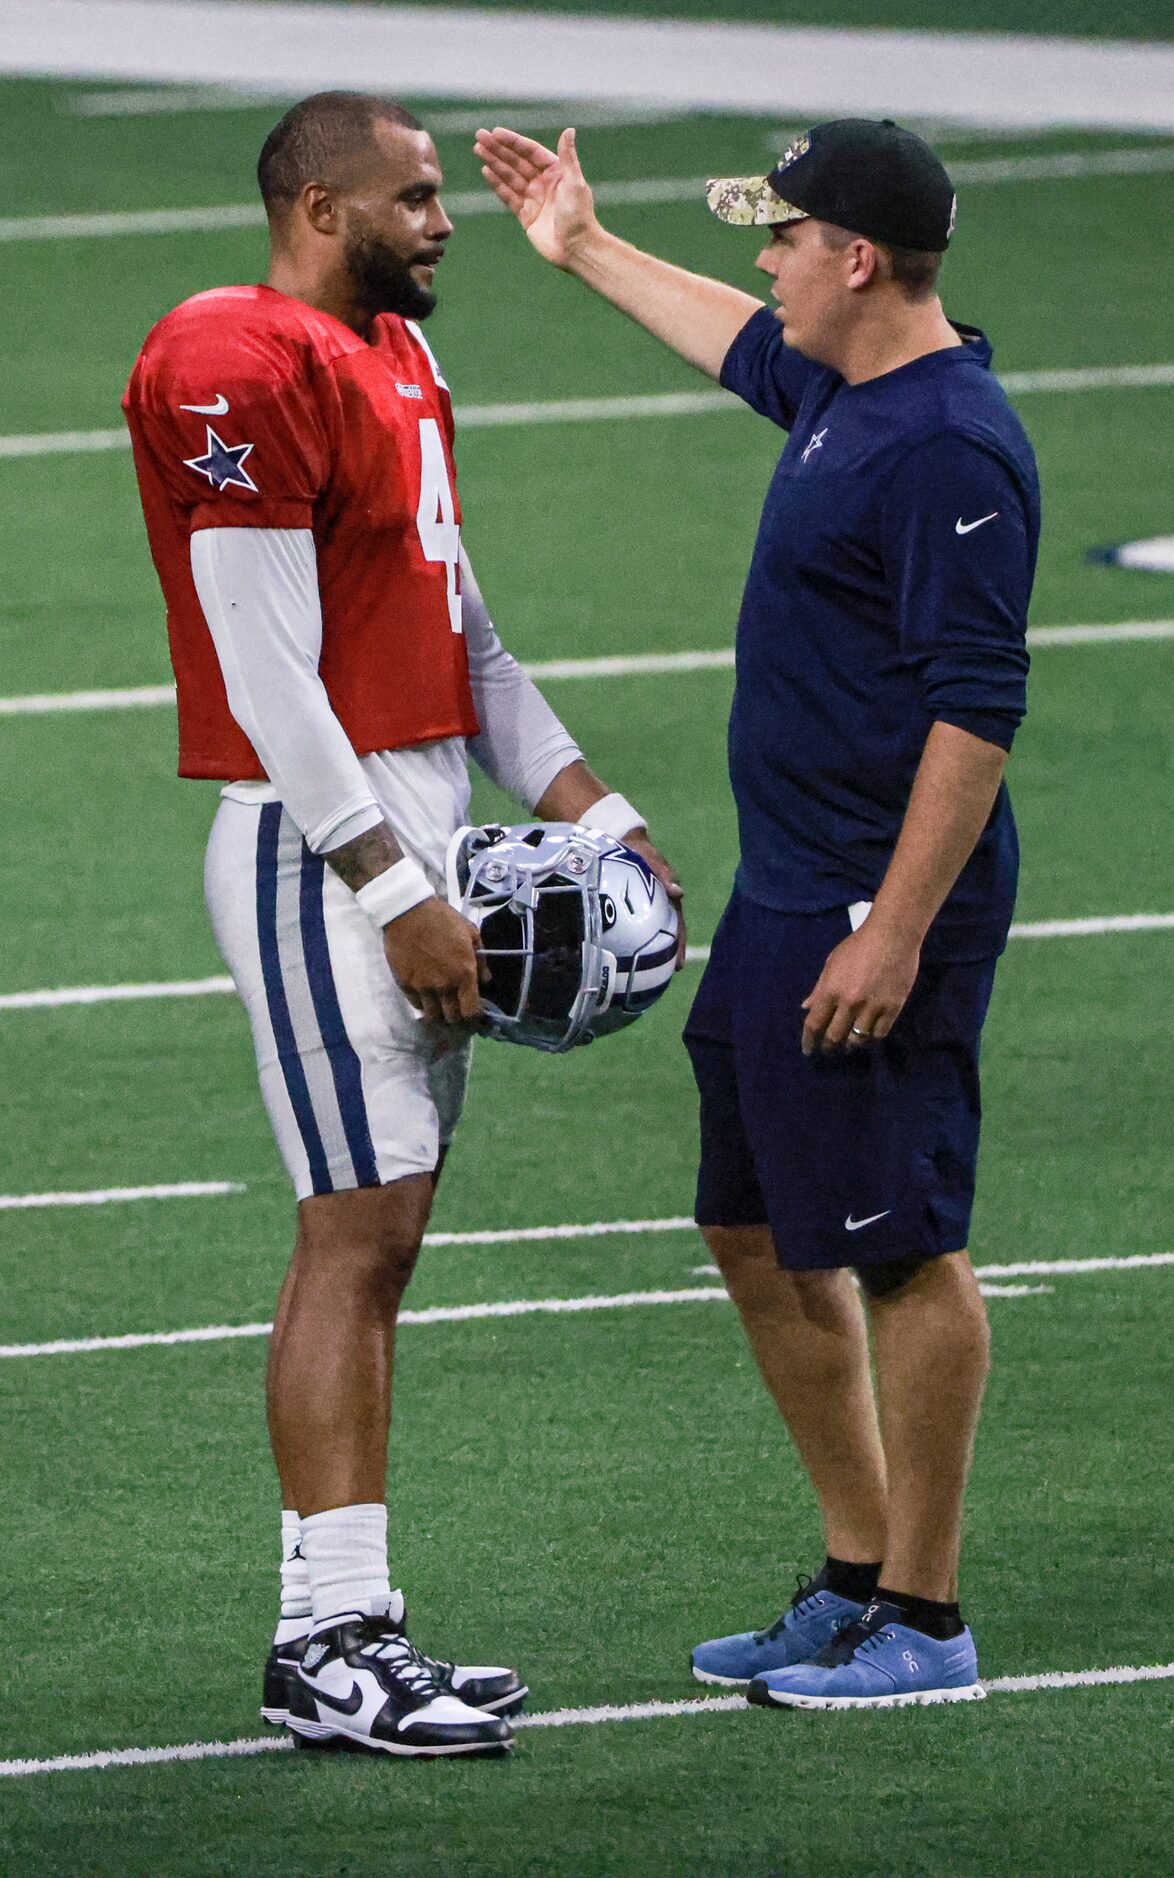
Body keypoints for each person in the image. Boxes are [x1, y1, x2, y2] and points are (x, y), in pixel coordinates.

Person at [123, 90, 682, 1759]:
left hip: (412, 833)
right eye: (416, 197)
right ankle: (329, 1640)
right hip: (325, 851)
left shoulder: (396, 360)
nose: (445, 222)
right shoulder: (236, 355)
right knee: (349, 1243)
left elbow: (468, 628)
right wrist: (389, 884)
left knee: (386, 1245)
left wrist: (598, 807)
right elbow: (262, 664)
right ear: (317, 203)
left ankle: (352, 1623)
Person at [476, 115, 1036, 1709]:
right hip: (786, 892)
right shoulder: (846, 390)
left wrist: (895, 929)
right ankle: (855, 1572)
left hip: (871, 902)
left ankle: (924, 1615)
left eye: (782, 234)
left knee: (905, 1245)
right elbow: (735, 341)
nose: (762, 256)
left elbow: (976, 707)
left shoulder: (944, 443)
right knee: (748, 1221)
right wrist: (580, 244)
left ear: (856, 258)